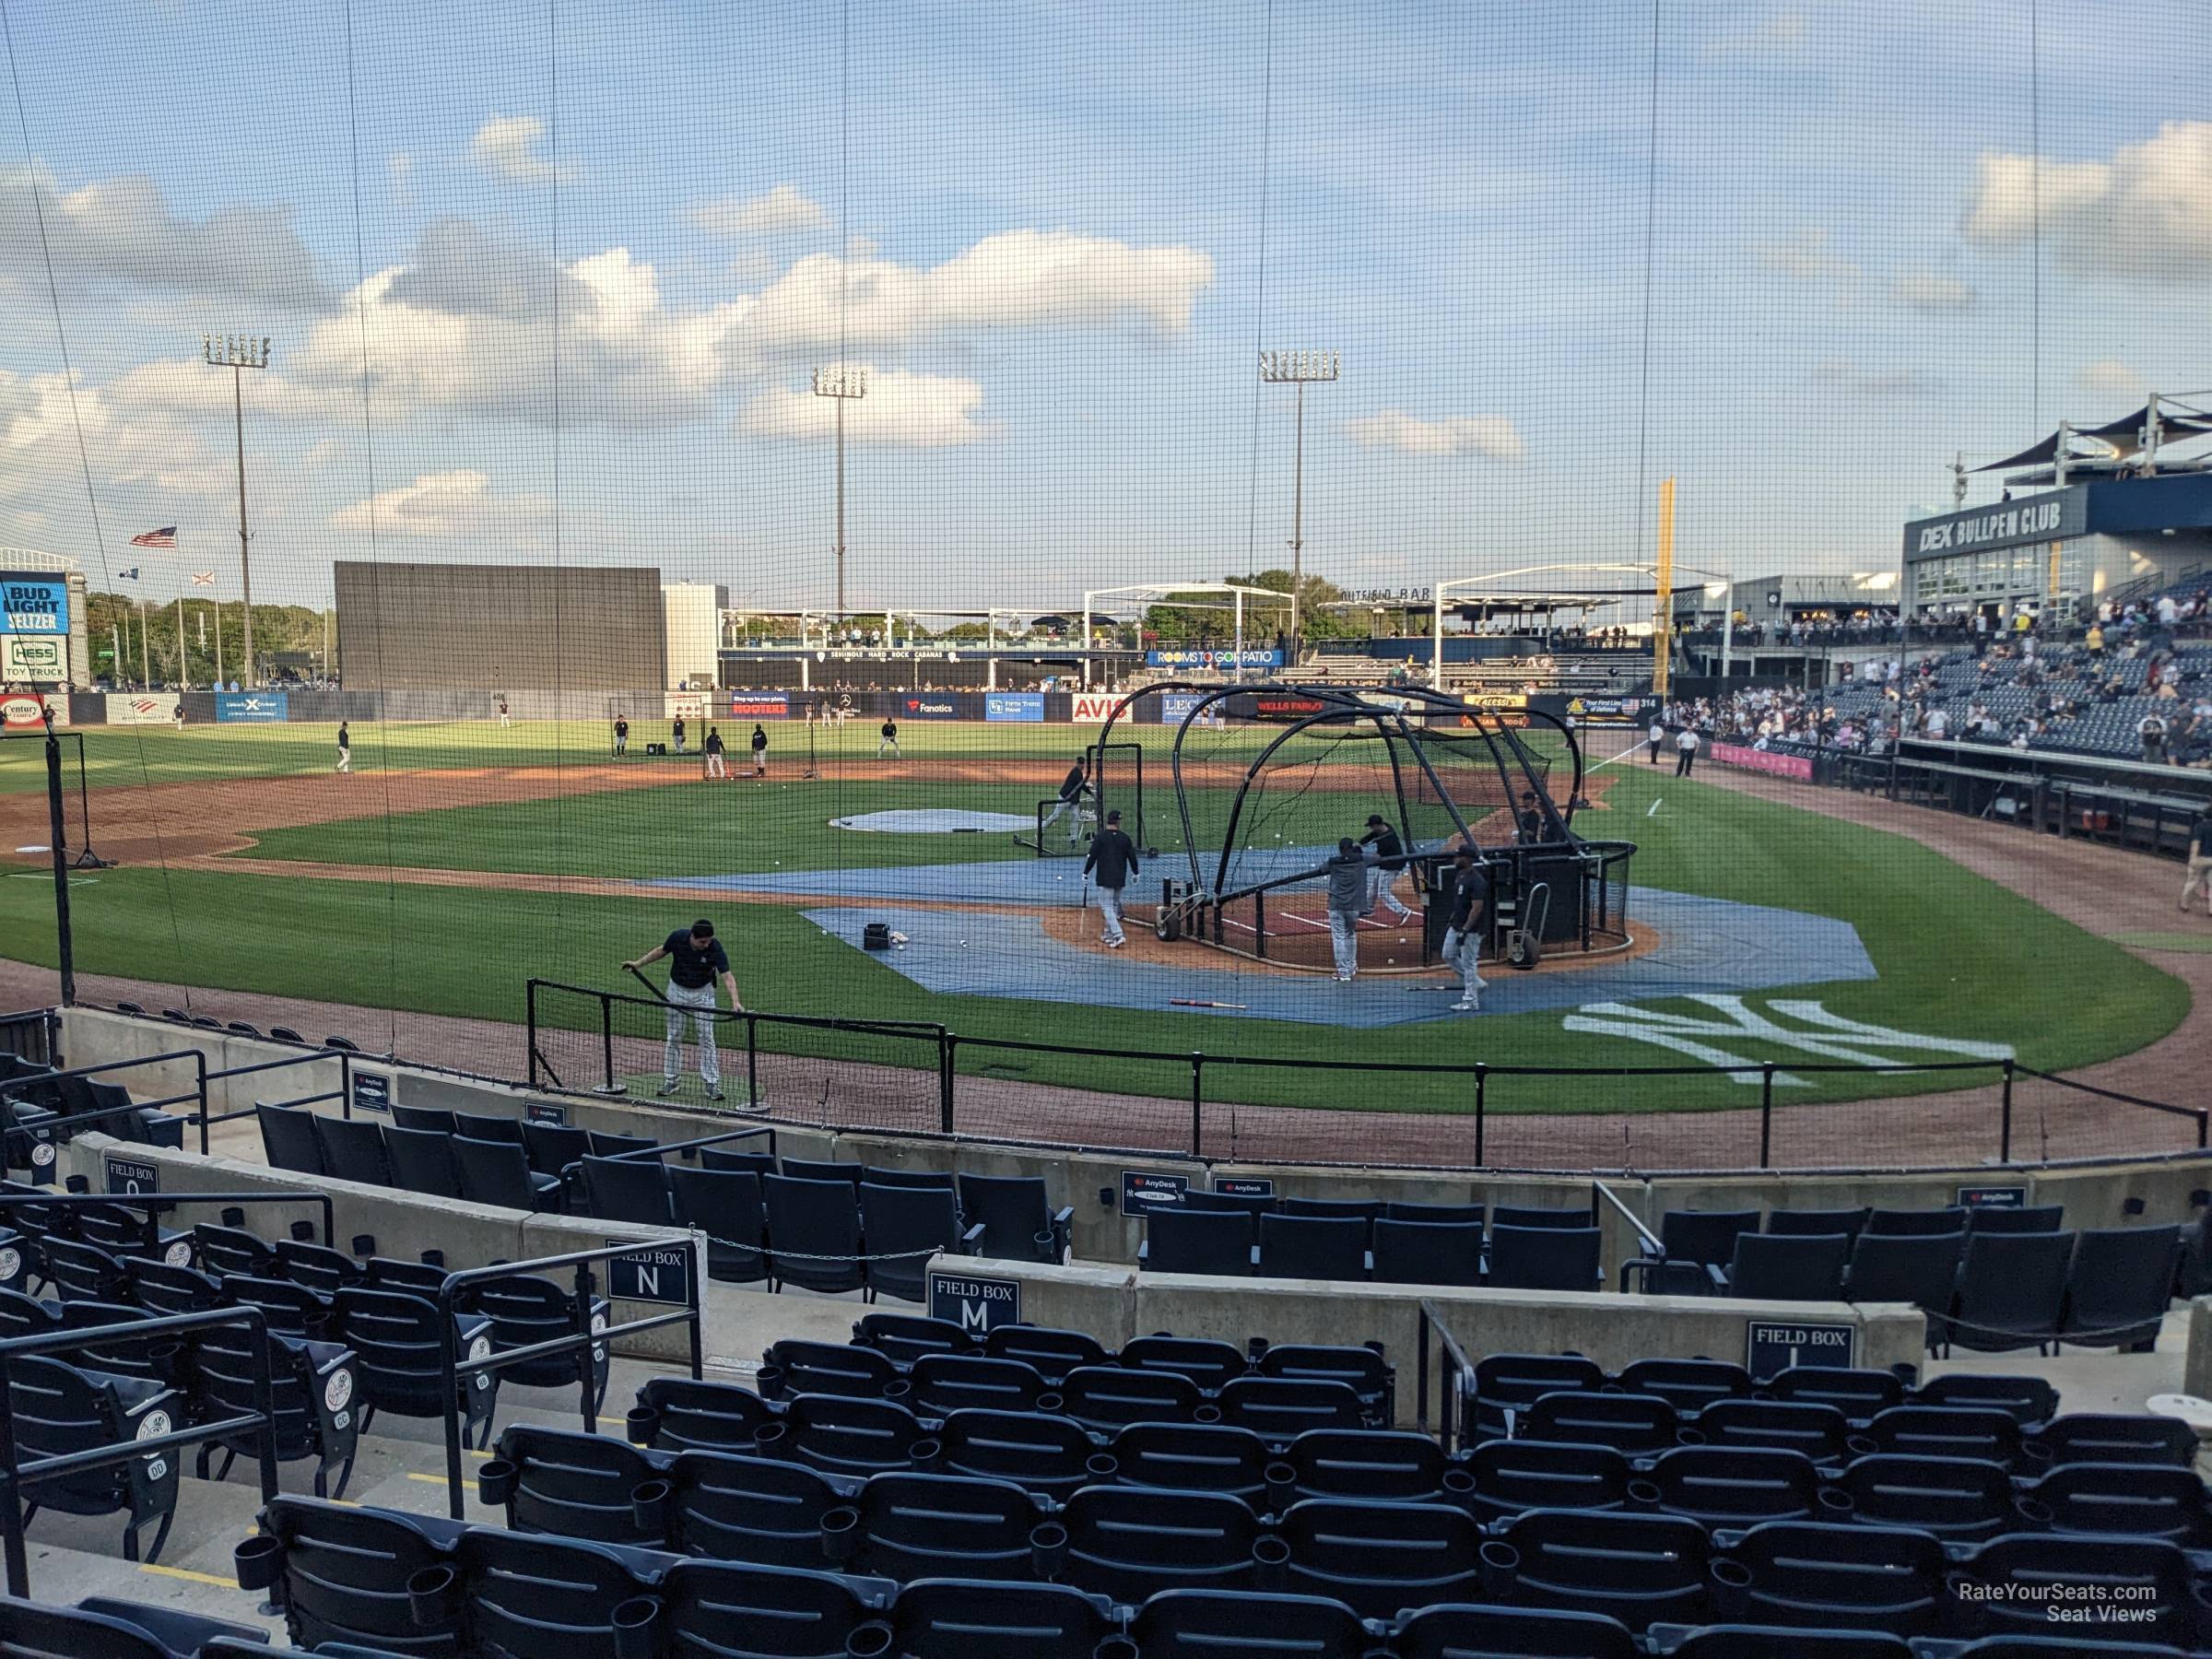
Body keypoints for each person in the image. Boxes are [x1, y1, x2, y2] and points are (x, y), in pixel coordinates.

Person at [624, 919, 741, 1100]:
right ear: (692, 937)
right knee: (674, 1035)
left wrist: (735, 1002)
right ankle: (671, 1080)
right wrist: (638, 964)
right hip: (677, 991)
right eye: (703, 941)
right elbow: (661, 951)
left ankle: (711, 1084)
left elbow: (727, 976)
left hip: (704, 994)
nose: (706, 944)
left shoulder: (714, 947)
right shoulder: (678, 937)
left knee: (706, 1037)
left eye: (709, 940)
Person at [1439, 845, 1490, 1012]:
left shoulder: (1477, 881)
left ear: (1467, 859)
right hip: (1457, 925)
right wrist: (1454, 919)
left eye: (1458, 856)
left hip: (1472, 929)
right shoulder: (1460, 875)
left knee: (1469, 963)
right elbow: (1459, 902)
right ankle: (1477, 983)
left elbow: (1477, 908)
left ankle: (1470, 1000)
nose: (1455, 858)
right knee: (1448, 954)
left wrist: (1466, 930)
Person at [1083, 807, 1140, 948]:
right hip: (1119, 878)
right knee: (1113, 905)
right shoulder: (1125, 838)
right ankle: (1108, 935)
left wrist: (1085, 873)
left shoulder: (1101, 837)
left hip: (1105, 878)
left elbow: (1092, 856)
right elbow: (1132, 857)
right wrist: (1136, 872)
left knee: (1107, 907)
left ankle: (1118, 935)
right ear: (1118, 822)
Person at [1324, 839, 1369, 982]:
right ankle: (1351, 967)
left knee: (1339, 938)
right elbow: (1378, 858)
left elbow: (1321, 868)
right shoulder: (1362, 861)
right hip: (1354, 907)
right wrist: (1358, 852)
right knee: (1350, 934)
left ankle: (1343, 973)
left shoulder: (1333, 862)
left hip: (1336, 905)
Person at [1358, 814, 1415, 923]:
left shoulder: (1387, 842)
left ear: (1377, 825)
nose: (1371, 828)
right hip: (1386, 864)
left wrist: (1362, 857)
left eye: (1372, 826)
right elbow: (1372, 835)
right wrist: (1360, 843)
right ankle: (1368, 909)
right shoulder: (1385, 827)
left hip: (1391, 866)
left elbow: (1378, 857)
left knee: (1383, 892)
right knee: (1373, 887)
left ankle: (1403, 911)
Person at [1040, 754, 1090, 845]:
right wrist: (1091, 792)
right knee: (1055, 816)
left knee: (1075, 817)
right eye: (1081, 764)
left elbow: (1080, 784)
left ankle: (1073, 839)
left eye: (1083, 764)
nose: (1083, 766)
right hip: (1064, 798)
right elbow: (1081, 785)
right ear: (1077, 764)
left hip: (1074, 801)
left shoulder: (1079, 773)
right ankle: (1041, 829)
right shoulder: (1075, 772)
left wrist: (1086, 785)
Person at [2183, 807, 2212, 916]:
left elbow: (2196, 843)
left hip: (2201, 859)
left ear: (2204, 816)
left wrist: (2193, 858)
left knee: (2192, 882)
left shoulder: (2200, 826)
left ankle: (2184, 905)